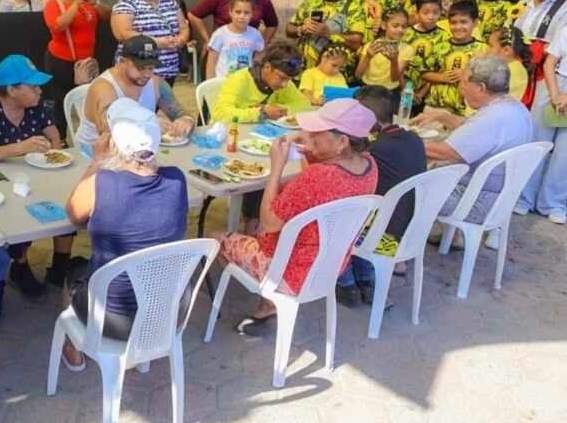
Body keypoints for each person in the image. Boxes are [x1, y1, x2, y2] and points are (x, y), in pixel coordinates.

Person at [214, 98, 379, 335]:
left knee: (215, 237)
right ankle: (268, 302)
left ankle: (269, 300)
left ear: (342, 142)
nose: (311, 134)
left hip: (290, 272)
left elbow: (270, 222)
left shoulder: (316, 177)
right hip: (331, 265)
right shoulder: (370, 165)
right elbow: (320, 183)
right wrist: (311, 151)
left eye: (318, 132)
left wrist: (276, 168)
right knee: (254, 226)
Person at [59, 99, 189, 368]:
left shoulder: (102, 182)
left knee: (73, 269)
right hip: (165, 315)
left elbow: (73, 213)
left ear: (115, 144)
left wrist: (97, 161)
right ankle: (141, 358)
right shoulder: (177, 179)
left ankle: (73, 349)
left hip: (111, 318)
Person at [0, 55, 73, 293]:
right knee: (20, 210)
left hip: (32, 172)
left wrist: (53, 158)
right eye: (33, 86)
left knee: (67, 199)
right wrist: (20, 147)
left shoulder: (35, 106)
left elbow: (54, 135)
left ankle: (61, 264)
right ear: (12, 90)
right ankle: (20, 265)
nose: (39, 91)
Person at [411, 57, 532, 240]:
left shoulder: (492, 118)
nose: (462, 89)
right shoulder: (514, 108)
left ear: (481, 87)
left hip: (476, 201)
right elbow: (472, 128)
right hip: (501, 198)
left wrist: (400, 141)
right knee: (439, 168)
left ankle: (400, 244)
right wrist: (443, 116)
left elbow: (445, 152)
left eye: (464, 83)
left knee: (405, 185)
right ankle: (454, 236)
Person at [334, 86, 427, 305]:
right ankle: (366, 281)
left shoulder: (373, 151)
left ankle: (346, 284)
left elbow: (339, 179)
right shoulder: (414, 139)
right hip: (414, 230)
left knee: (330, 216)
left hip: (385, 239)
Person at [75, 35, 196, 148]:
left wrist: (185, 121)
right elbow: (108, 137)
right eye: (140, 68)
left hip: (136, 148)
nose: (147, 74)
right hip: (91, 153)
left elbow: (181, 113)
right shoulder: (104, 88)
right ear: (122, 62)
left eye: (151, 68)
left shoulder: (157, 83)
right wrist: (147, 126)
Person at [43, 0, 112, 136]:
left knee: (87, 100)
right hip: (62, 61)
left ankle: (88, 136)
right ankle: (60, 138)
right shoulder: (54, 3)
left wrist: (96, 3)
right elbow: (57, 27)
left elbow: (109, 16)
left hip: (86, 61)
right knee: (61, 101)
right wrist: (75, 4)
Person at [517, 24, 567, 224]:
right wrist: (555, 96)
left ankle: (554, 203)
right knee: (537, 143)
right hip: (553, 83)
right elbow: (549, 62)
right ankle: (523, 197)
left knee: (564, 153)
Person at [112, 0, 190, 84]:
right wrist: (156, 42)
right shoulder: (128, 2)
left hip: (168, 73)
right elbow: (122, 33)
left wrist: (181, 40)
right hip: (138, 74)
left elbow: (184, 28)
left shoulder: (169, 2)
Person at [287, 0, 366, 81]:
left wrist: (328, 34)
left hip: (336, 78)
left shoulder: (355, 8)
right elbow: (289, 29)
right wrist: (301, 29)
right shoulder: (310, 2)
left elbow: (356, 42)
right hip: (304, 76)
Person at [210, 43, 311, 123]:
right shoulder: (240, 79)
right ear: (267, 67)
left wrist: (275, 109)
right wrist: (262, 113)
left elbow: (305, 104)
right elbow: (220, 114)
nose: (284, 84)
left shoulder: (284, 82)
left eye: (289, 80)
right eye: (281, 78)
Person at [420, 0, 486, 116]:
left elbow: (486, 81)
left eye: (463, 22)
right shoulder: (439, 47)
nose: (458, 27)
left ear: (475, 22)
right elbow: (424, 73)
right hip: (434, 108)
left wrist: (465, 74)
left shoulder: (483, 50)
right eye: (453, 23)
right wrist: (442, 77)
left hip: (465, 113)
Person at [403, 0, 449, 109]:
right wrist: (406, 89)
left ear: (441, 12)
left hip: (428, 91)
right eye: (426, 12)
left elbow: (440, 69)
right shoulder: (406, 34)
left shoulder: (444, 37)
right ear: (417, 12)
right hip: (403, 88)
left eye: (435, 12)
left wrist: (421, 93)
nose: (431, 17)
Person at [355, 7, 412, 99]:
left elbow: (394, 78)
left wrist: (394, 61)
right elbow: (358, 75)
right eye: (395, 26)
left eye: (404, 26)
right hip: (367, 90)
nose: (400, 30)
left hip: (390, 92)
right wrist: (368, 57)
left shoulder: (407, 49)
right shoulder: (371, 46)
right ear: (384, 25)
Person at [205, 0, 265, 79]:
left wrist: (254, 68)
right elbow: (211, 62)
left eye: (246, 13)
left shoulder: (255, 34)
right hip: (223, 83)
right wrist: (210, 84)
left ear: (252, 14)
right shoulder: (220, 34)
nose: (242, 16)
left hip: (244, 82)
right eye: (238, 12)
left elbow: (261, 50)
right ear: (230, 12)